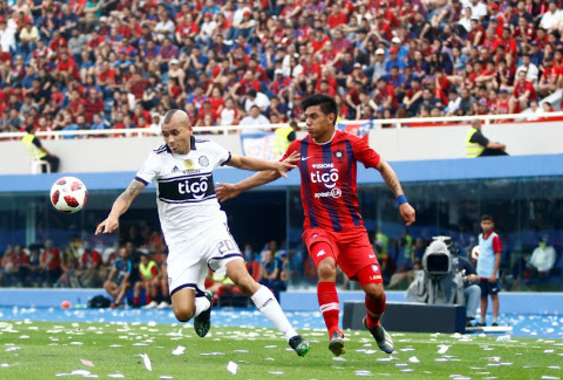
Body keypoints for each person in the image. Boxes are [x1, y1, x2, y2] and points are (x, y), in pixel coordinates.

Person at [95, 109, 310, 357]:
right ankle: (203, 302)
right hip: (181, 245)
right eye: (165, 134)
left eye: (175, 133)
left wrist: (273, 164)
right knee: (183, 313)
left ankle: (292, 335)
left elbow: (240, 161)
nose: (170, 139)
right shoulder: (157, 159)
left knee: (243, 279)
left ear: (189, 129)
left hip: (212, 230)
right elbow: (129, 193)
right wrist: (113, 215)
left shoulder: (208, 149)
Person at [216, 94, 416, 356]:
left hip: (353, 231)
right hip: (318, 229)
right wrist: (238, 188)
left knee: (376, 292)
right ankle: (335, 331)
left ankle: (373, 323)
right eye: (305, 117)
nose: (306, 122)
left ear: (330, 118)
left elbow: (383, 166)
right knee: (325, 267)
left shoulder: (351, 144)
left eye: (313, 117)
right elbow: (274, 170)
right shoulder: (299, 148)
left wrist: (402, 200)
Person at [405, 236, 481, 327]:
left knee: (475, 289)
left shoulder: (462, 261)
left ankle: (467, 318)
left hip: (457, 292)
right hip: (431, 289)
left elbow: (477, 277)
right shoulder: (429, 261)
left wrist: (472, 277)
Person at [476, 215, 502, 326]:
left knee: (494, 295)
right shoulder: (480, 237)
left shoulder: (494, 237)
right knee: (482, 296)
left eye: (488, 223)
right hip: (481, 272)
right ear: (481, 224)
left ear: (492, 225)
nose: (486, 225)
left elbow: (498, 255)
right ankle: (482, 319)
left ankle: (495, 320)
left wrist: (494, 273)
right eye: (484, 223)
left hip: (491, 273)